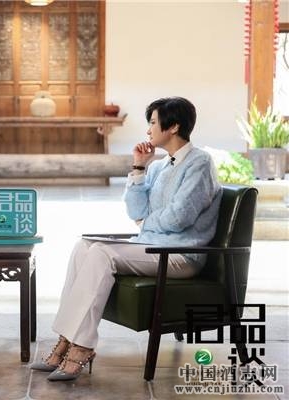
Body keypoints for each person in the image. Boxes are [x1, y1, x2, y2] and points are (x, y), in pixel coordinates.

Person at [31, 97, 222, 381]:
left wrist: (146, 223)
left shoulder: (200, 162)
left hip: (181, 255)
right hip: (151, 247)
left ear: (173, 127)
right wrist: (139, 168)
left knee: (101, 253)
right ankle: (66, 340)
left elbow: (180, 217)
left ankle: (82, 347)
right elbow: (135, 211)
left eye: (153, 123)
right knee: (83, 247)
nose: (148, 130)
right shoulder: (158, 166)